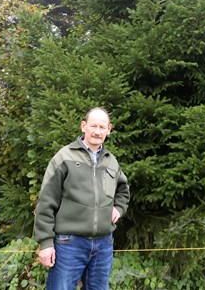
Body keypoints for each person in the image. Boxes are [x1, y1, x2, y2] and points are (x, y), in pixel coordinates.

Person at [34, 107, 130, 290]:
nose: (97, 131)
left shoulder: (111, 161)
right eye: (93, 125)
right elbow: (46, 201)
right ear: (83, 126)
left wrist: (118, 208)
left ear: (109, 129)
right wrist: (45, 242)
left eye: (102, 127)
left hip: (103, 245)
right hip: (69, 244)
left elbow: (123, 191)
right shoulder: (64, 157)